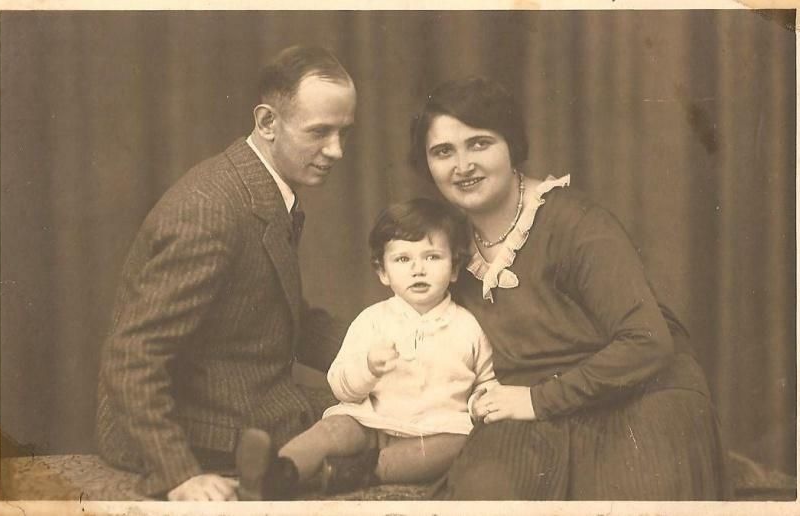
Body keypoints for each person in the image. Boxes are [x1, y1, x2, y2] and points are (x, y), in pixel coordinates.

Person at [409, 76, 729, 500]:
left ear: (513, 147)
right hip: (529, 398)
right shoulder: (446, 244)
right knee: (485, 491)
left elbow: (648, 342)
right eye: (443, 151)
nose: (462, 165)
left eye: (480, 143)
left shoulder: (577, 224)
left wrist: (540, 401)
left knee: (629, 492)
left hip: (641, 390)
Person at [95, 45, 356, 501]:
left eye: (342, 132)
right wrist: (178, 473)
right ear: (267, 123)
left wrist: (388, 344)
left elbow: (279, 314)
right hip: (196, 427)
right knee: (370, 428)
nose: (336, 150)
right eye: (319, 132)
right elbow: (133, 355)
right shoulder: (211, 209)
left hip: (242, 397)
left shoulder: (262, 187)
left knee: (391, 409)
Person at [235, 198, 497, 500]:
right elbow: (341, 385)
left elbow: (486, 380)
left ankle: (363, 473)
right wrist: (368, 369)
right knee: (335, 426)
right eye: (402, 260)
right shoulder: (372, 321)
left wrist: (481, 401)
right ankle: (278, 471)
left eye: (432, 257)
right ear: (382, 271)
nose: (418, 270)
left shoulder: (468, 327)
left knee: (461, 442)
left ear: (454, 268)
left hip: (433, 430)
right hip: (371, 425)